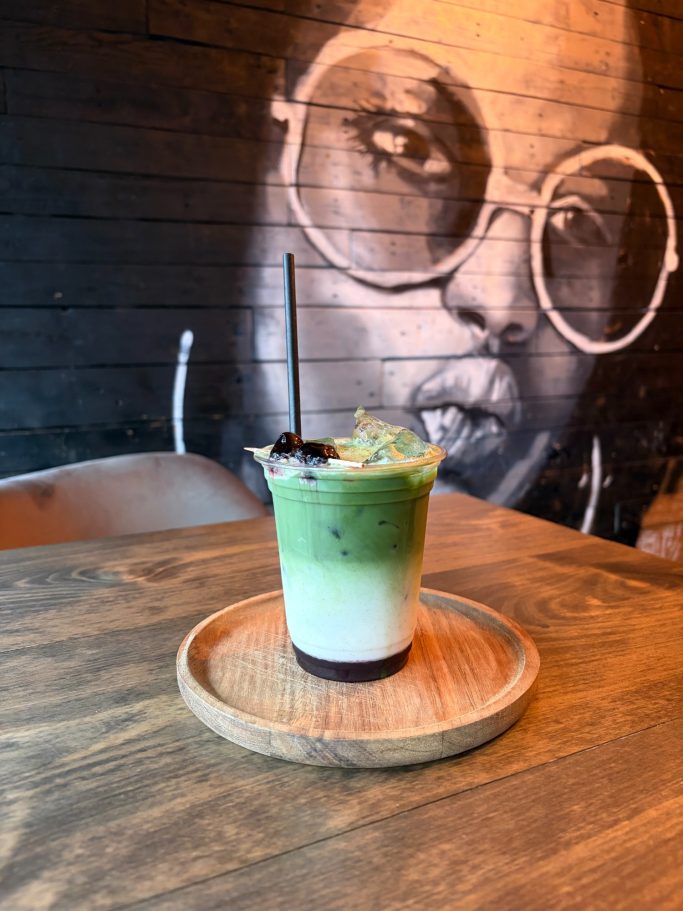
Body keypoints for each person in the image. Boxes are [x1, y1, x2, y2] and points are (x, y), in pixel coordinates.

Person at [241, 0, 679, 542]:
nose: (501, 302)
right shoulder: (171, 506)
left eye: (574, 217)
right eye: (404, 144)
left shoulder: (600, 576)